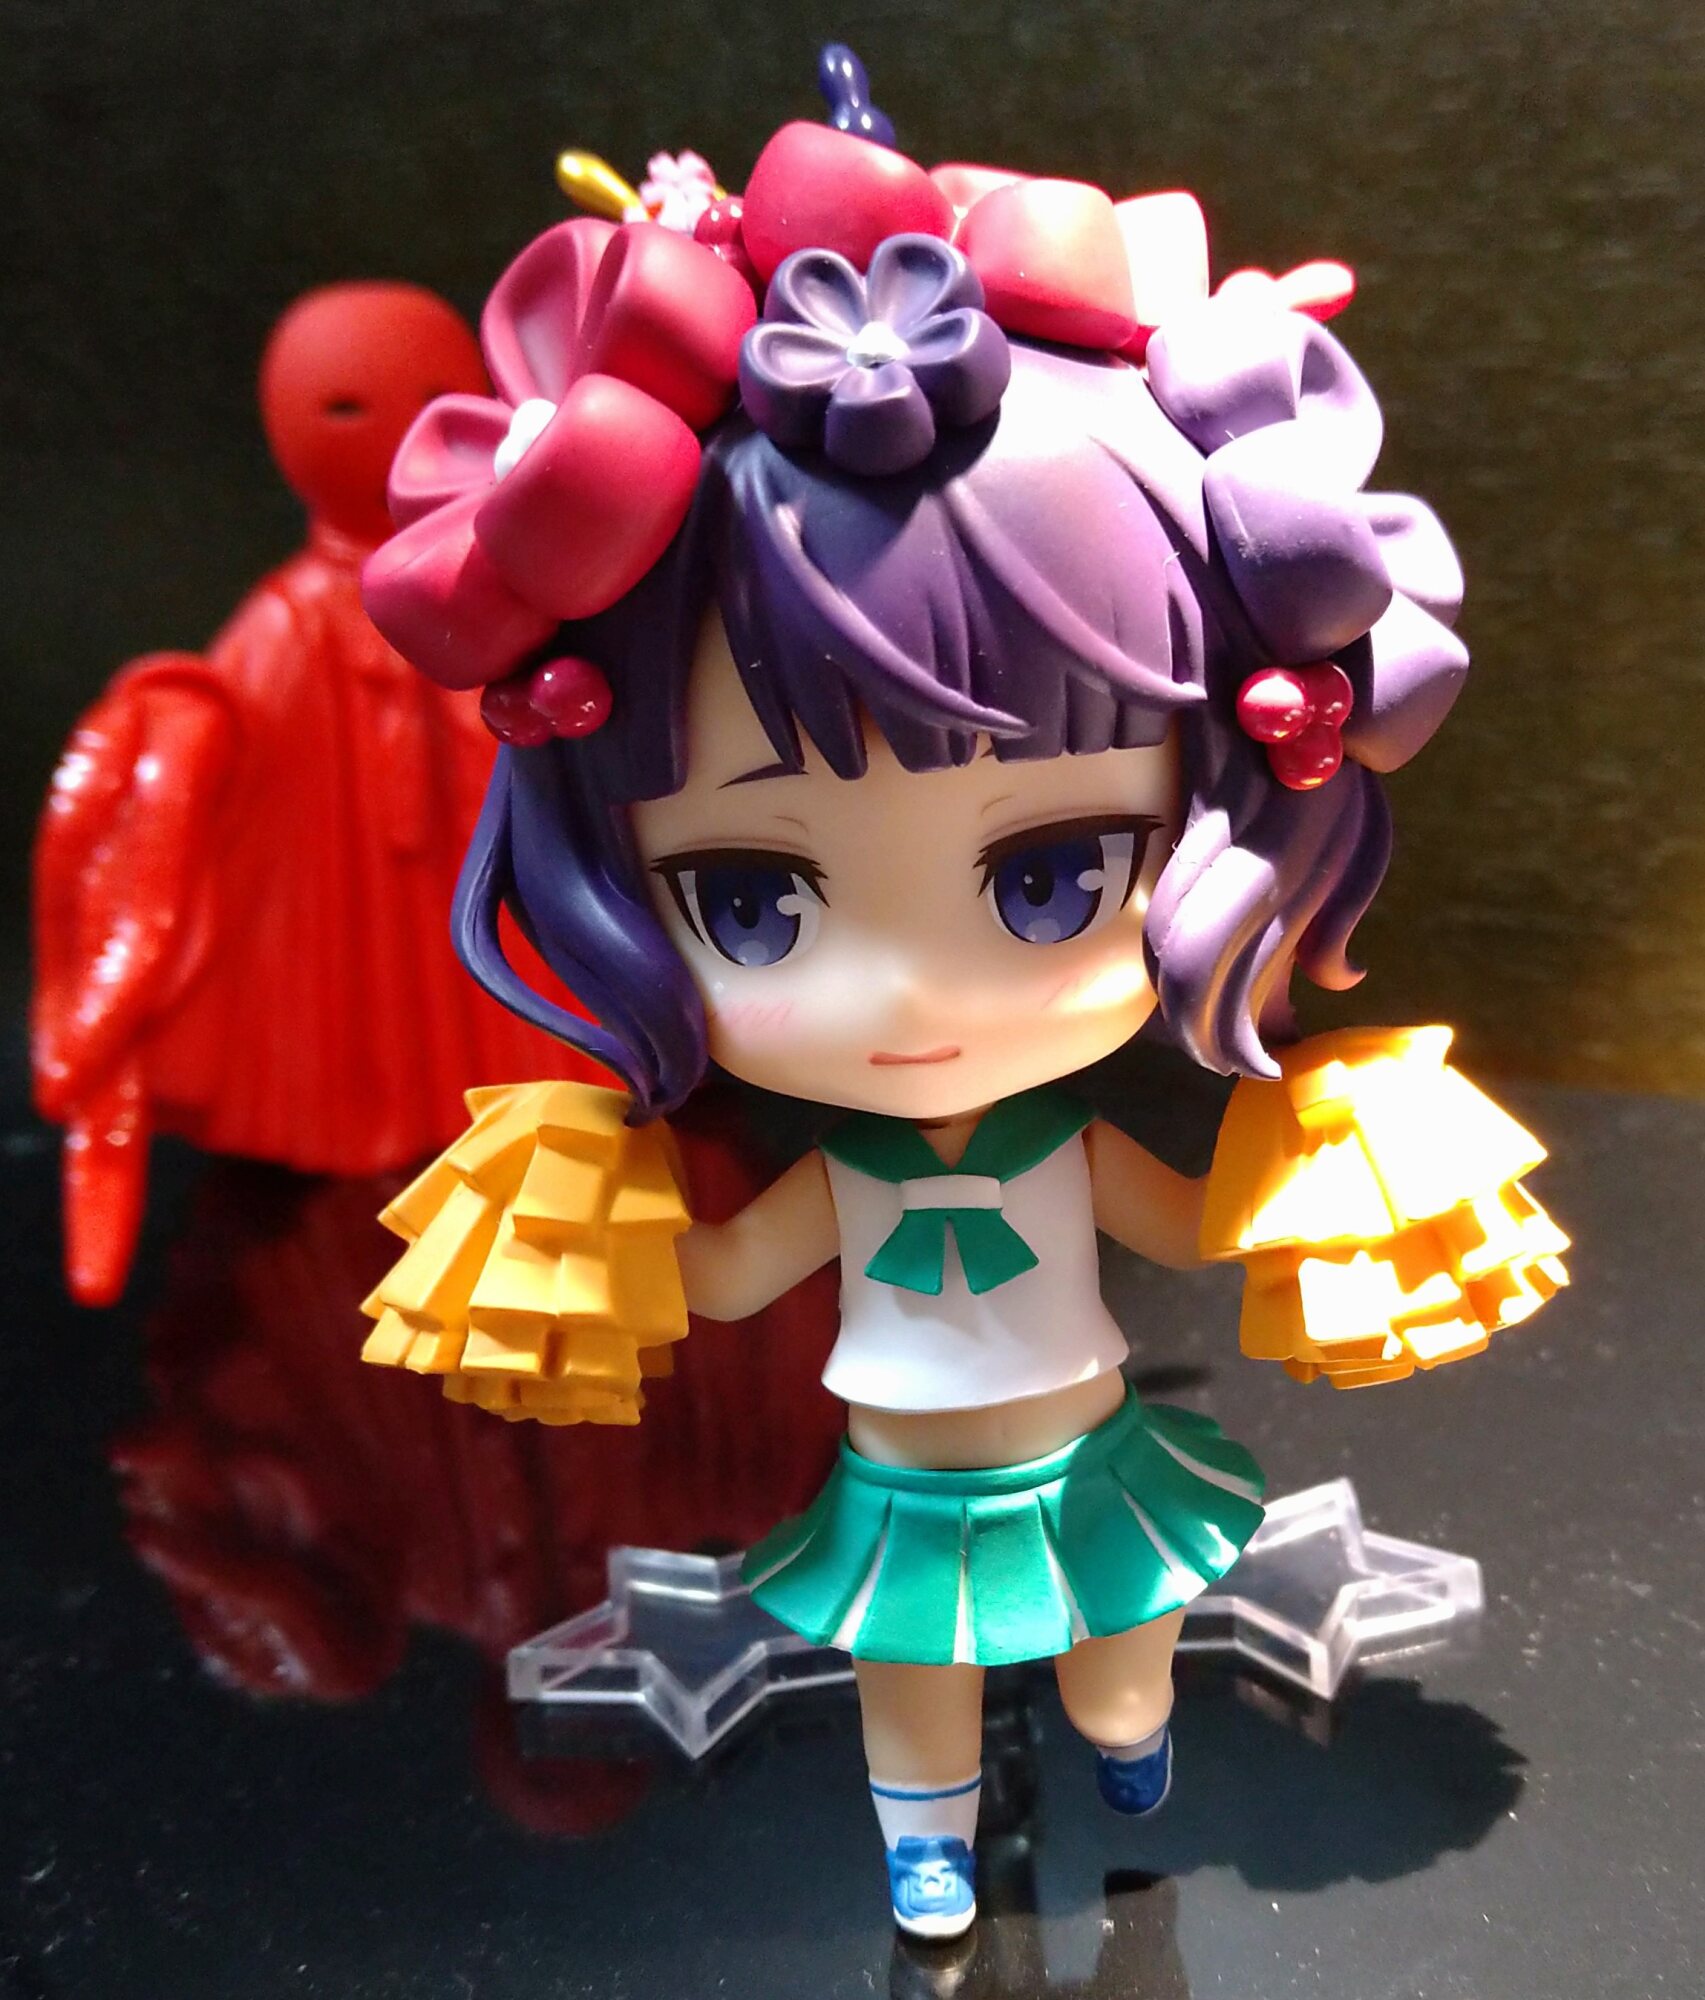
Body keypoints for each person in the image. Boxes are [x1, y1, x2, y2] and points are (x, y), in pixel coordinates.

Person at [358, 79, 1565, 1939]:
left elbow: (1198, 1228)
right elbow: (724, 1281)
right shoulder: (845, 1173)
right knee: (908, 1668)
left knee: (1120, 1627)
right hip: (898, 1470)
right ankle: (923, 1843)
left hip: (1080, 1444)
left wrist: (1329, 1179)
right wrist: (574, 1237)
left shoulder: (1060, 1140)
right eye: (749, 900)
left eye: (1052, 877)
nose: (911, 995)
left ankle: (1130, 1734)